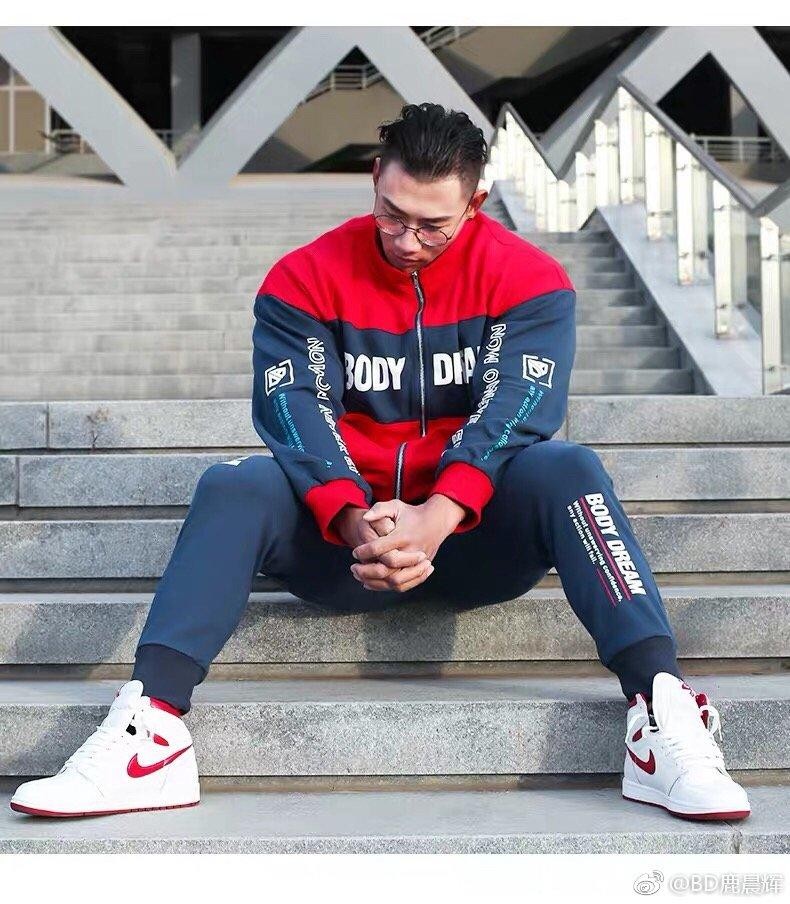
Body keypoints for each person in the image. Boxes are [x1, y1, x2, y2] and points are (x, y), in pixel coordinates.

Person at [10, 102, 749, 822]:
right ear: (374, 178)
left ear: (477, 203)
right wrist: (351, 516)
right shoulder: (304, 278)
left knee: (569, 469)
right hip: (345, 547)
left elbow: (518, 409)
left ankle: (660, 711)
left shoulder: (530, 279)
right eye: (393, 215)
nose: (408, 240)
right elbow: (293, 408)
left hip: (475, 541)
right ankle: (154, 727)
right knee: (236, 484)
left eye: (433, 225)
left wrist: (438, 515)